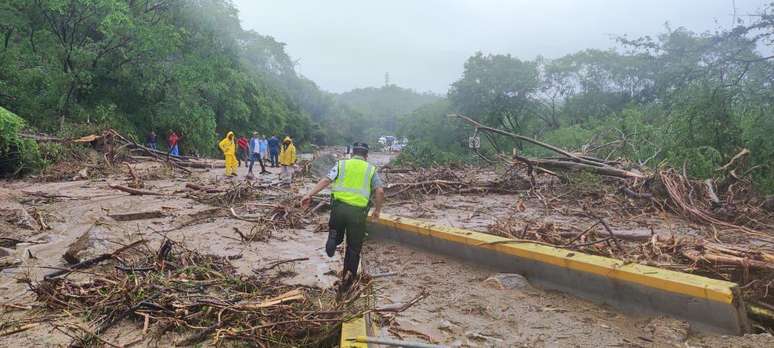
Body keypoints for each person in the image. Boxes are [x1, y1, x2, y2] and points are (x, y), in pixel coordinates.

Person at [300, 142, 384, 293]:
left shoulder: (341, 165)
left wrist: (309, 194)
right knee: (353, 247)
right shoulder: (371, 169)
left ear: (352, 154)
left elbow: (326, 180)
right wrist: (377, 211)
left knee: (336, 233)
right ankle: (347, 280)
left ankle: (334, 237)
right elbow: (380, 191)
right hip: (358, 213)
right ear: (366, 156)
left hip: (338, 209)